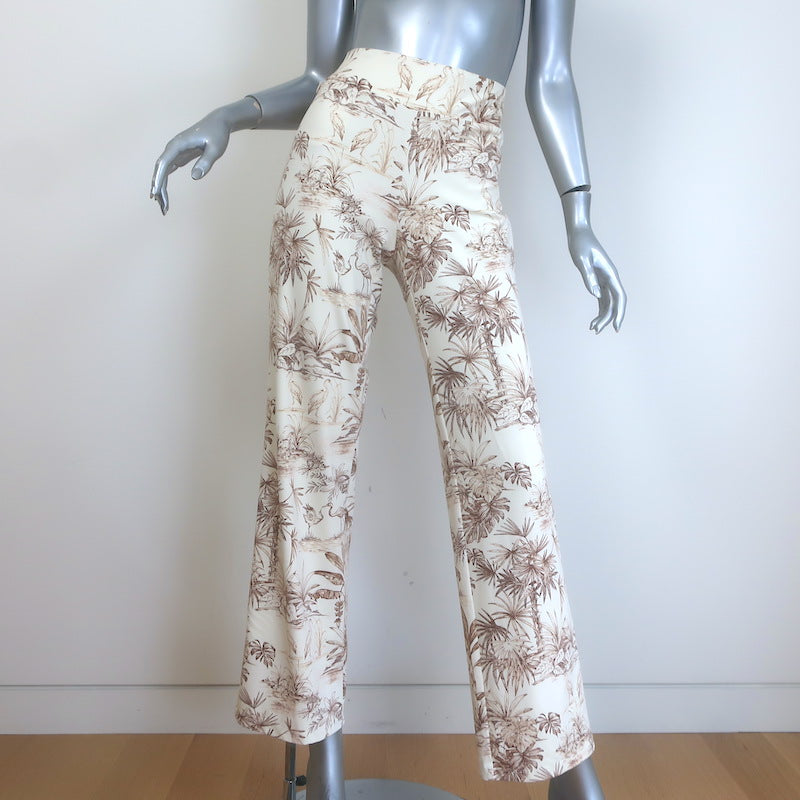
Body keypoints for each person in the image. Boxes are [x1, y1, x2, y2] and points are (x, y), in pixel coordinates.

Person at [151, 2, 624, 797]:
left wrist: (579, 212)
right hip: (338, 151)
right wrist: (231, 115)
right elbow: (319, 73)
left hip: (460, 166)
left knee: (504, 464)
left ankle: (563, 765)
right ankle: (318, 755)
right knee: (307, 456)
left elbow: (549, 73)